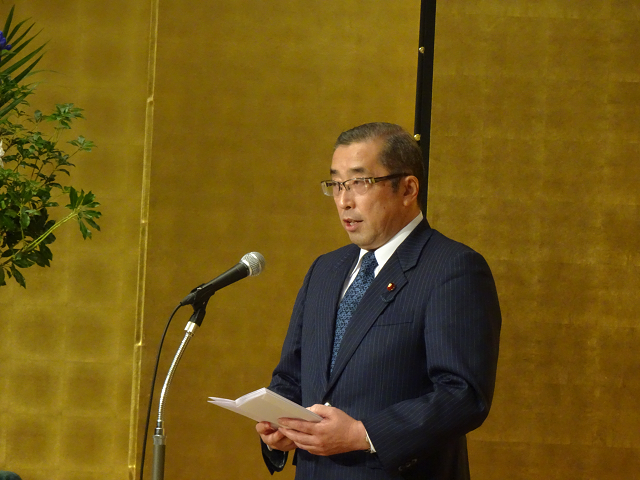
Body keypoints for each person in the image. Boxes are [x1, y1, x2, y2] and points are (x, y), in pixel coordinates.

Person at [256, 122, 501, 479]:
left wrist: (363, 434)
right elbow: (291, 375)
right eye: (337, 184)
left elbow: (463, 394)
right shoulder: (325, 270)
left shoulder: (452, 268)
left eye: (359, 182)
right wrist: (277, 424)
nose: (344, 200)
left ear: (408, 189)